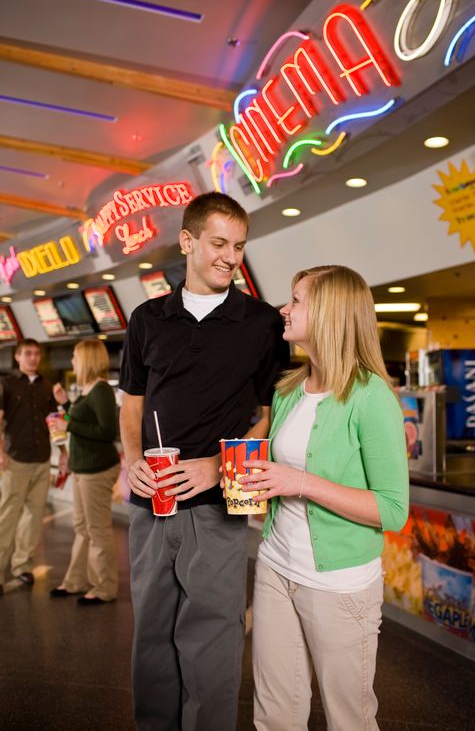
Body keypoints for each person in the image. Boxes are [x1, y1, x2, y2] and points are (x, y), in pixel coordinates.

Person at [119, 191, 289, 731]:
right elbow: (132, 405)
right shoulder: (147, 318)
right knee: (151, 632)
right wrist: (131, 459)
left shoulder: (262, 323)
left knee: (213, 637)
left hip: (221, 504)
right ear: (188, 242)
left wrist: (215, 468)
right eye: (219, 243)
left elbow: (266, 416)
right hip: (152, 501)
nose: (230, 256)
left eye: (239, 246)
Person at [239, 265, 409, 731]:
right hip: (276, 567)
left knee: (348, 718)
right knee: (274, 714)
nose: (283, 310)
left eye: (296, 300)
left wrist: (300, 482)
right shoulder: (290, 391)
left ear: (330, 313)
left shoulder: (370, 396)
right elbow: (274, 463)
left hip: (339, 586)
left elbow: (392, 509)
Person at [48, 339, 121, 605]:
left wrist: (69, 424)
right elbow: (78, 421)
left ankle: (104, 587)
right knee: (82, 527)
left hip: (96, 470)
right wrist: (66, 406)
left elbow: (106, 432)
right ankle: (75, 581)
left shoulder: (101, 390)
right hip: (82, 468)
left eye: (75, 357)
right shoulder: (86, 390)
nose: (72, 362)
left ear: (87, 359)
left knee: (97, 528)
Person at [0, 338, 60, 595]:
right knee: (8, 516)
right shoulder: (7, 384)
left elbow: (56, 423)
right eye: (28, 354)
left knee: (34, 516)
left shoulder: (48, 387)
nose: (33, 358)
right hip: (15, 459)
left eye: (36, 354)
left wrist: (64, 453)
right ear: (18, 357)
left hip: (42, 458)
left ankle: (22, 565)